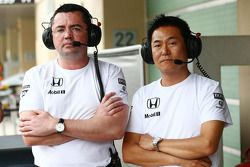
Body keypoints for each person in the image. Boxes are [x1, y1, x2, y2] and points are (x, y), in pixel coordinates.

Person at [18, 3, 129, 167]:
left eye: (76, 28)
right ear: (50, 36)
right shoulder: (35, 76)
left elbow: (115, 130)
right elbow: (30, 137)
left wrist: (53, 125)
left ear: (91, 34)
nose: (68, 35)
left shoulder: (110, 73)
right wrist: (95, 123)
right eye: (60, 29)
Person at [122, 15, 232, 167]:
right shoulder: (142, 95)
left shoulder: (208, 89)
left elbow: (207, 144)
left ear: (189, 46)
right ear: (149, 52)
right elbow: (129, 152)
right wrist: (179, 161)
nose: (164, 51)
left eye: (172, 43)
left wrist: (155, 143)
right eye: (157, 45)